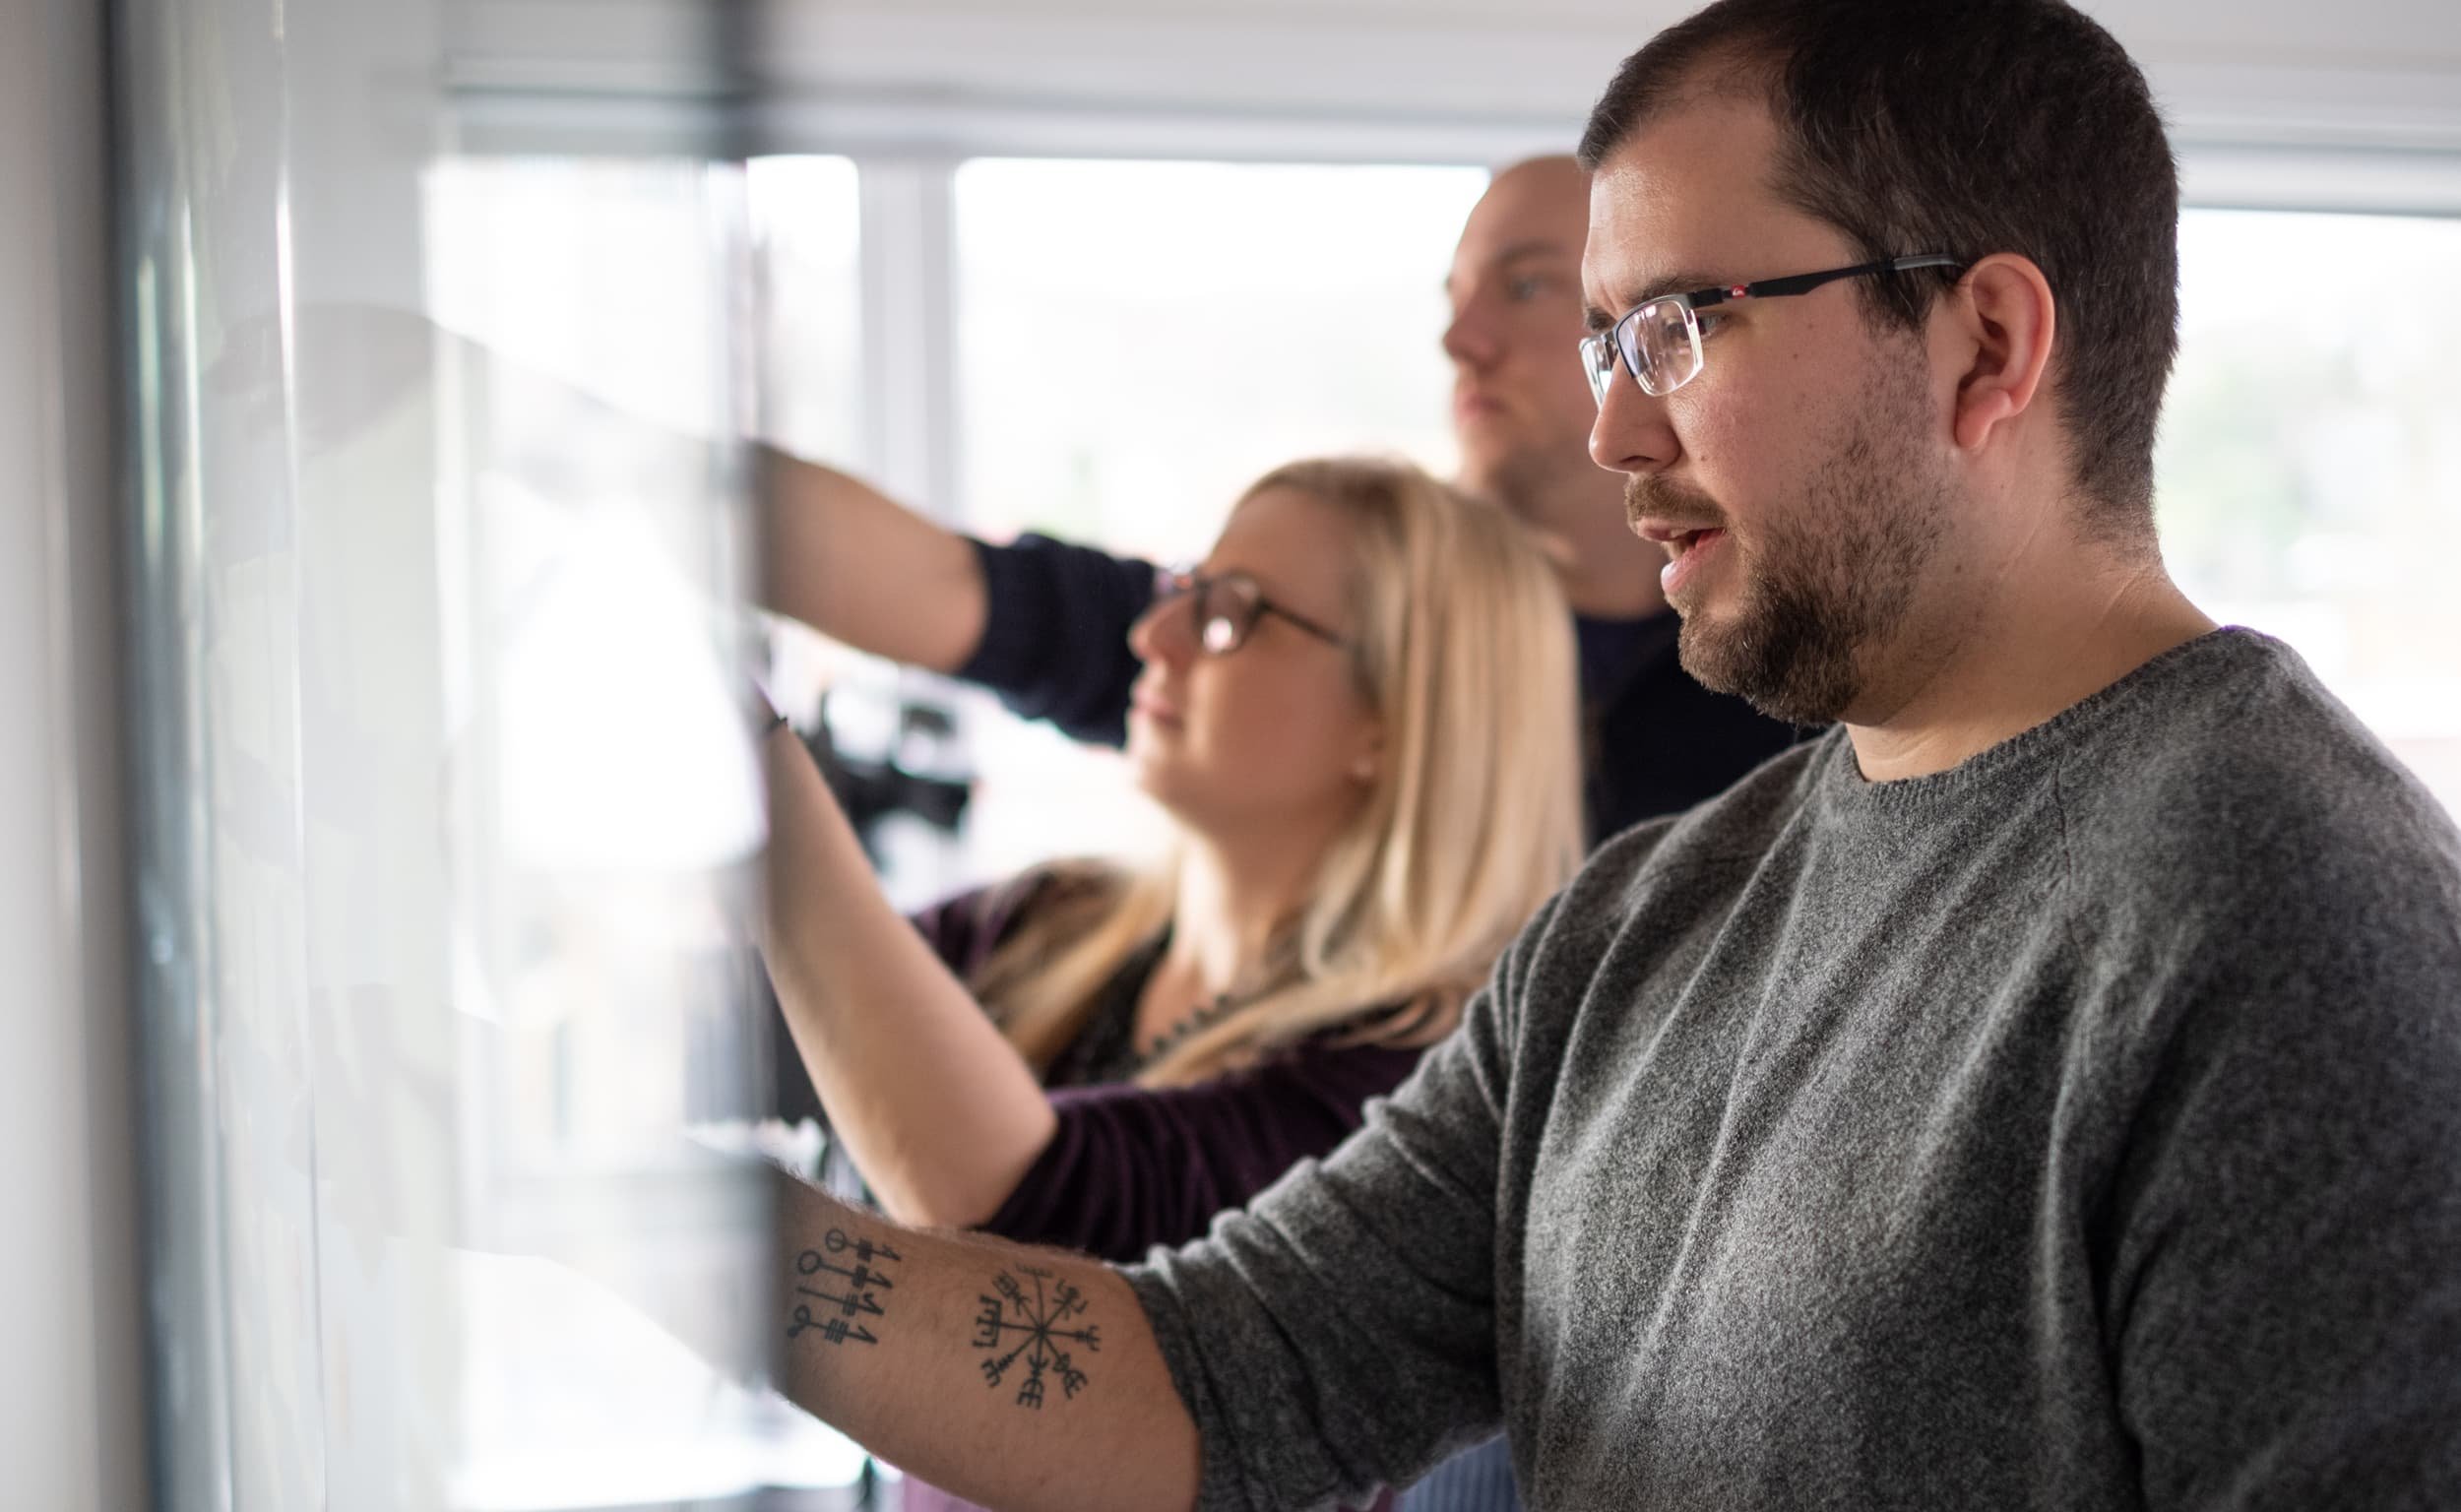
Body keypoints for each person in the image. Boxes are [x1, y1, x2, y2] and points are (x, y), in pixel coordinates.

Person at [739, 0, 2461, 1506]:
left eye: (1683, 329)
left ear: (1986, 346)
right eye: (1603, 340)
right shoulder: (1643, 921)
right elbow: (1209, 1377)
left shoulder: (2287, 909)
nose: (1611, 428)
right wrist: (658, 1248)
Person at [760, 457, 1584, 1512]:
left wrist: (757, 773)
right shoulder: (1052, 921)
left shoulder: (1413, 1076)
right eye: (1181, 593)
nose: (1151, 639)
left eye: (1232, 615)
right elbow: (750, 1028)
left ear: (1392, 714)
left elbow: (1028, 1227)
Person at [761, 156, 1802, 850]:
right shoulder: (1352, 612)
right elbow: (989, 600)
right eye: (1452, 298)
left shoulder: (1801, 668)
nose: (1458, 341)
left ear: (1648, 323)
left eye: (1524, 286)